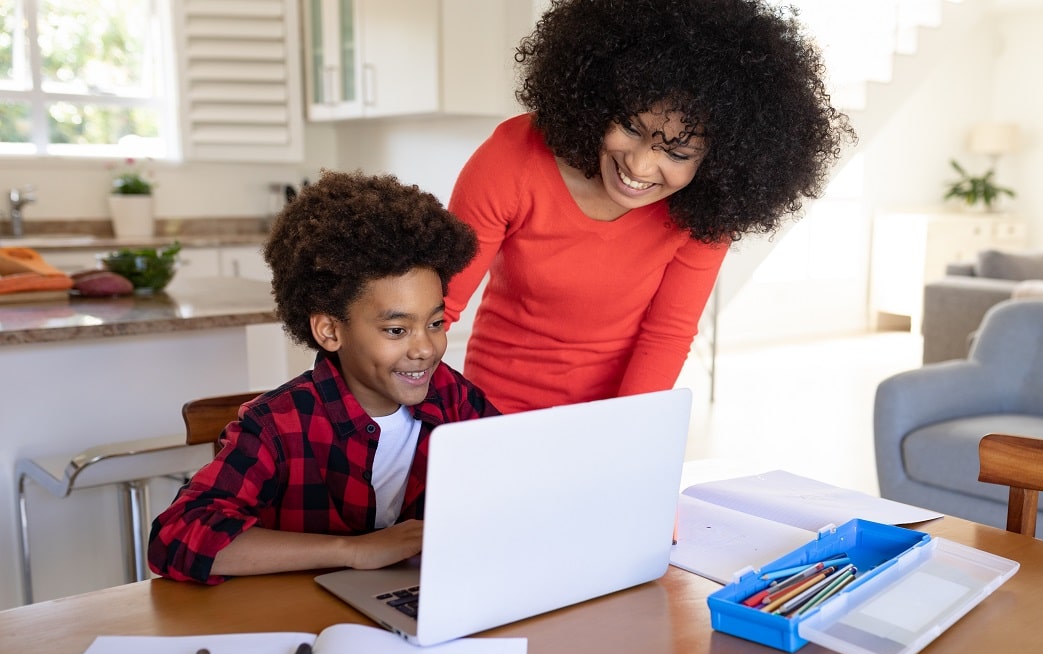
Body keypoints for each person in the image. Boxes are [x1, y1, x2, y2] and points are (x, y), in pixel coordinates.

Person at [444, 0, 854, 413]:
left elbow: (667, 334)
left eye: (677, 154)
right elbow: (437, 306)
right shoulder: (513, 159)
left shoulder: (705, 212)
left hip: (617, 415)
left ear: (717, 162)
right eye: (630, 127)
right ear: (599, 101)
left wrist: (624, 435)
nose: (639, 166)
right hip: (492, 410)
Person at [148, 170, 499, 584]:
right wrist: (353, 551)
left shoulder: (454, 399)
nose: (425, 348)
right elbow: (176, 537)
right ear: (330, 331)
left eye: (436, 323)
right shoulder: (277, 426)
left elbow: (520, 488)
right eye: (396, 330)